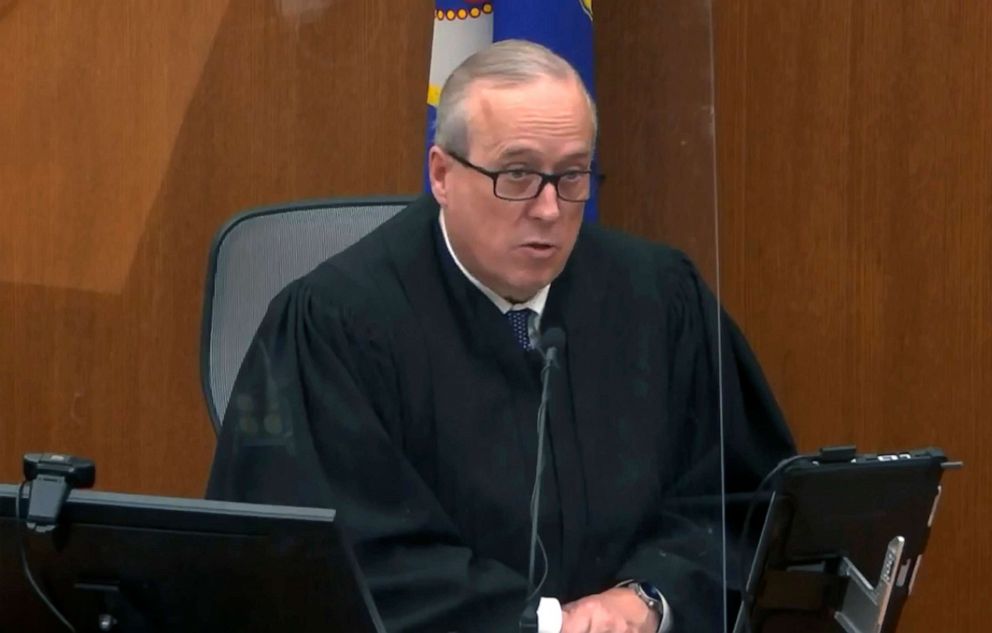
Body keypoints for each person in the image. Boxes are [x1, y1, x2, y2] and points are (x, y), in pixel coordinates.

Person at [206, 39, 794, 633]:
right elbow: (328, 561)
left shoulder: (659, 297)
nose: (548, 208)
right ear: (441, 174)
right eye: (517, 174)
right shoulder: (338, 324)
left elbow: (745, 503)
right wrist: (541, 625)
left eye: (571, 176)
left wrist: (647, 599)